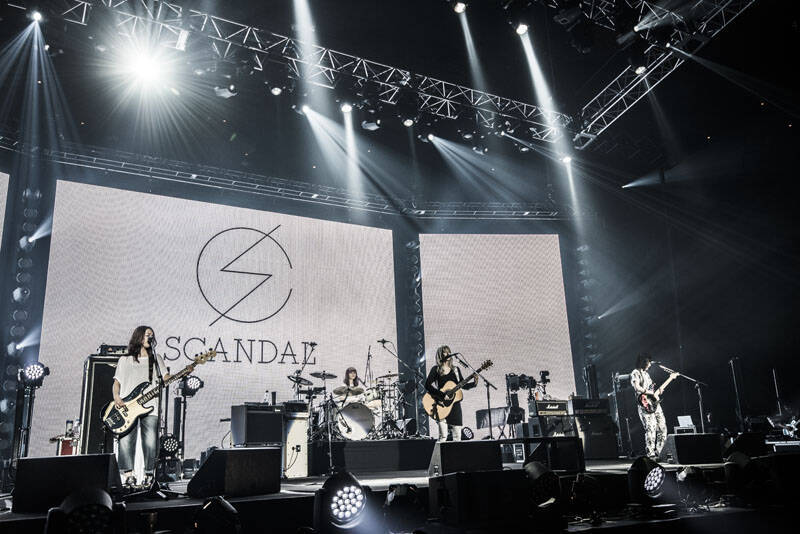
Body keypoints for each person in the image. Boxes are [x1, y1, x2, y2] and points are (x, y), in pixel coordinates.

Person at [112, 326, 170, 486]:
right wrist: (116, 397)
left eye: (152, 335)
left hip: (151, 405)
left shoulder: (156, 359)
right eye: (147, 334)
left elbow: (165, 378)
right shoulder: (125, 360)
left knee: (151, 441)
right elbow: (117, 383)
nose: (150, 337)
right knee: (126, 440)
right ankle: (128, 475)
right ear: (138, 337)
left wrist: (180, 374)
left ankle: (149, 475)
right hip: (128, 406)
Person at [425, 346, 477, 442]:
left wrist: (474, 383)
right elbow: (427, 385)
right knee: (443, 437)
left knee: (457, 436)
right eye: (445, 352)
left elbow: (462, 385)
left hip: (455, 405)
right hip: (441, 405)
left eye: (449, 352)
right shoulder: (436, 369)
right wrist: (441, 395)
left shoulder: (455, 370)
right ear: (440, 355)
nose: (448, 354)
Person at [630, 353, 676, 459]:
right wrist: (648, 392)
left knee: (662, 427)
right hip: (645, 404)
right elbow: (637, 387)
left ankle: (660, 451)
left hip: (654, 403)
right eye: (648, 362)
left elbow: (653, 391)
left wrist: (670, 379)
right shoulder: (635, 373)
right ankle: (651, 453)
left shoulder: (647, 375)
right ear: (642, 362)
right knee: (651, 428)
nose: (650, 364)